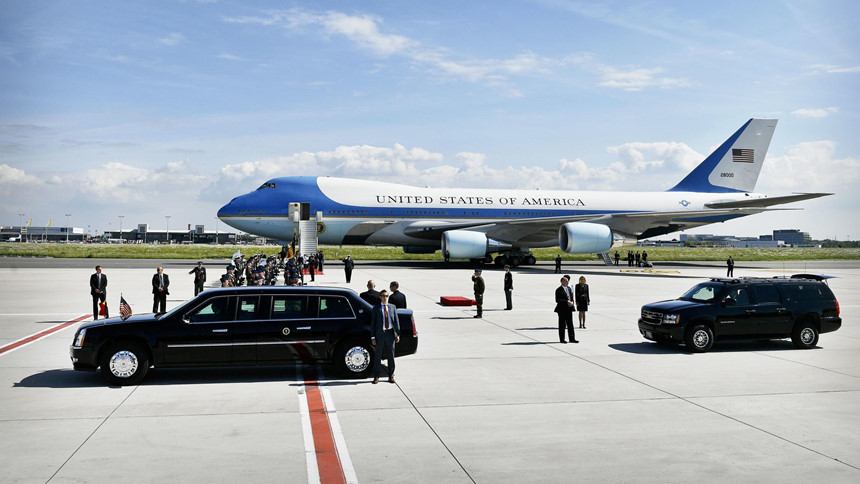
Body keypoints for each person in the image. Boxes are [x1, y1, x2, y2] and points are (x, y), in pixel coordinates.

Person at [370, 289, 400, 384]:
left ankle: (391, 375)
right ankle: (376, 376)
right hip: (380, 335)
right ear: (380, 297)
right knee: (378, 356)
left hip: (390, 334)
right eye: (383, 296)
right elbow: (373, 324)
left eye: (386, 296)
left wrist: (397, 334)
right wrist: (373, 337)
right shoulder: (376, 308)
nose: (385, 297)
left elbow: (396, 322)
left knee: (391, 356)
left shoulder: (392, 307)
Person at [554, 276, 577, 343]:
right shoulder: (558, 290)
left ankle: (572, 338)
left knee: (570, 324)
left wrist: (572, 302)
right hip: (562, 309)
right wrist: (567, 302)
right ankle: (562, 339)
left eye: (567, 281)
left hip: (569, 309)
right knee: (562, 324)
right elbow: (557, 300)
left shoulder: (569, 288)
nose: (567, 282)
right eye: (566, 281)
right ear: (562, 282)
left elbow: (571, 297)